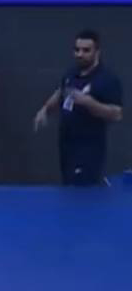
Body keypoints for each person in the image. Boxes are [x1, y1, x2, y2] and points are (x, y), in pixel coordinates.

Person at [34, 30, 123, 186]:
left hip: (88, 147)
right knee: (69, 185)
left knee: (81, 189)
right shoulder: (71, 73)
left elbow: (117, 114)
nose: (80, 54)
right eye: (77, 50)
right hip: (67, 144)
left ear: (97, 52)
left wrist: (89, 103)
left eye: (86, 50)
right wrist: (45, 110)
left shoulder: (107, 79)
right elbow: (60, 92)